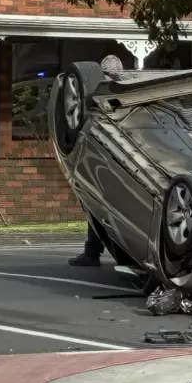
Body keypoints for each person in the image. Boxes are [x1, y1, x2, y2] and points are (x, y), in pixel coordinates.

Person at [68, 54, 124, 267]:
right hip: (119, 160)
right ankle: (98, 250)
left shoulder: (97, 95)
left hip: (101, 158)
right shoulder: (126, 93)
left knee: (94, 205)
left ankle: (93, 251)